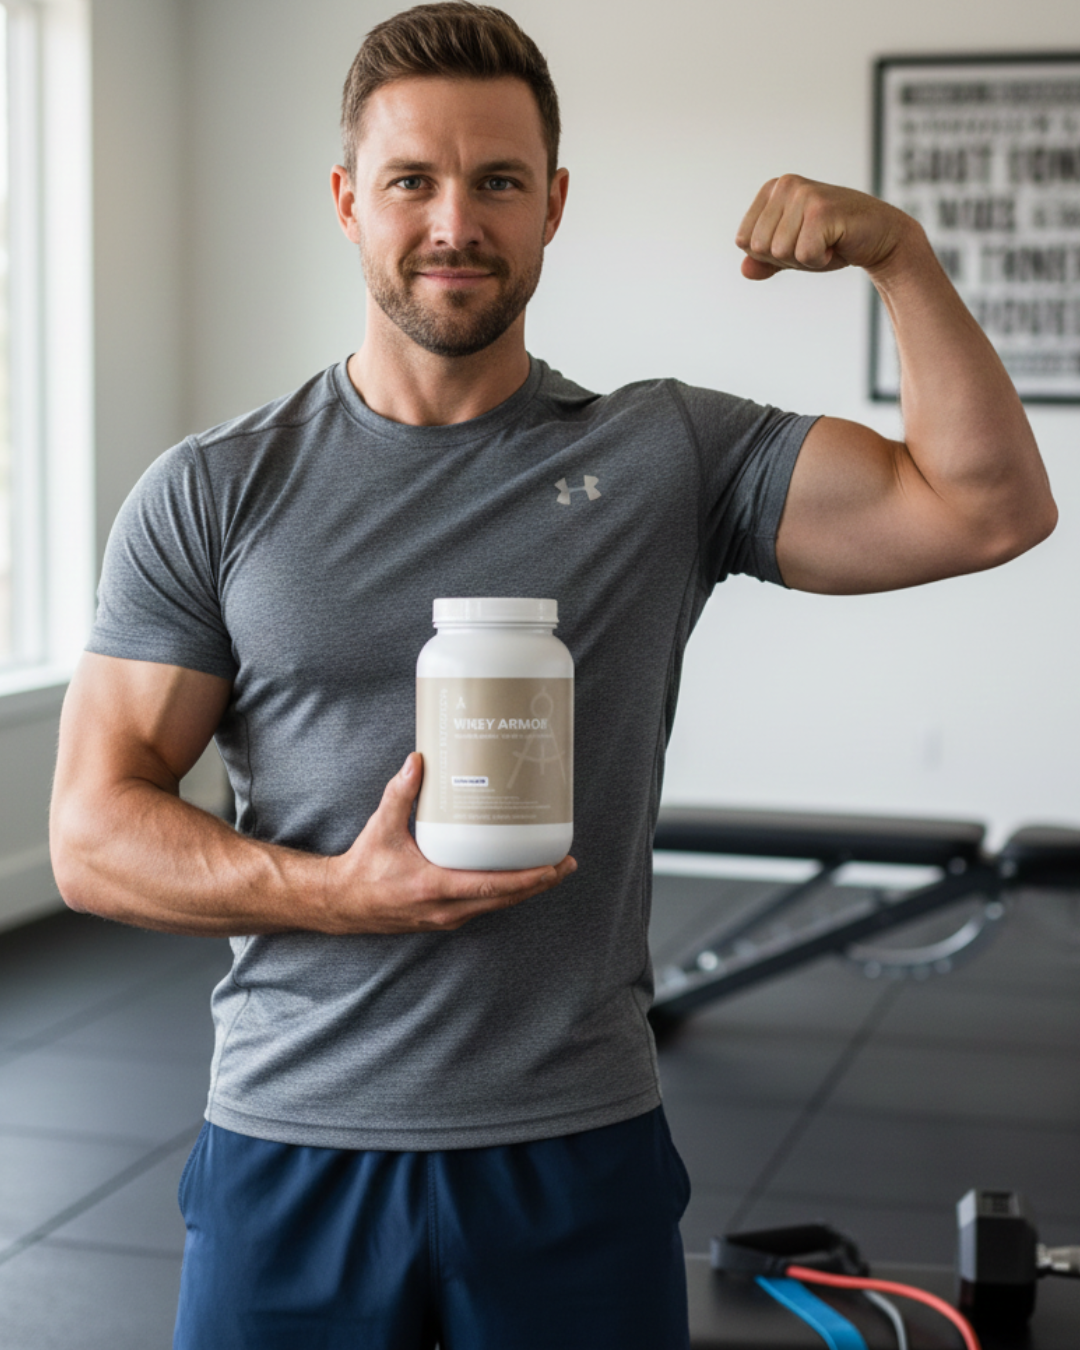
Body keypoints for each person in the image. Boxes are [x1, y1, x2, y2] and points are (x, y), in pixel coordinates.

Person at [49, 4, 1056, 1348]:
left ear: (553, 206)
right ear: (350, 201)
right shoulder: (217, 490)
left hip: (573, 1149)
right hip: (294, 1144)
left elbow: (985, 508)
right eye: (412, 179)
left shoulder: (665, 457)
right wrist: (342, 896)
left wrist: (901, 256)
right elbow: (91, 835)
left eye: (499, 181)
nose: (455, 219)